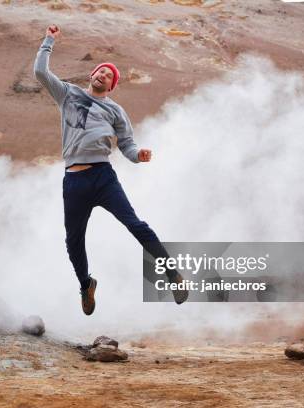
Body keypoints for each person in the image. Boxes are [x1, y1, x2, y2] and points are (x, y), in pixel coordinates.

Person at [33, 25, 188, 315]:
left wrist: (137, 155)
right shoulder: (68, 94)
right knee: (73, 240)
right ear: (92, 75)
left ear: (112, 86)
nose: (104, 75)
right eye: (101, 71)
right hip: (74, 180)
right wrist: (49, 40)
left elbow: (127, 145)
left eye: (109, 76)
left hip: (103, 177)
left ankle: (172, 276)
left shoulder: (115, 111)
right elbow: (41, 73)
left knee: (136, 225)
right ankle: (85, 285)